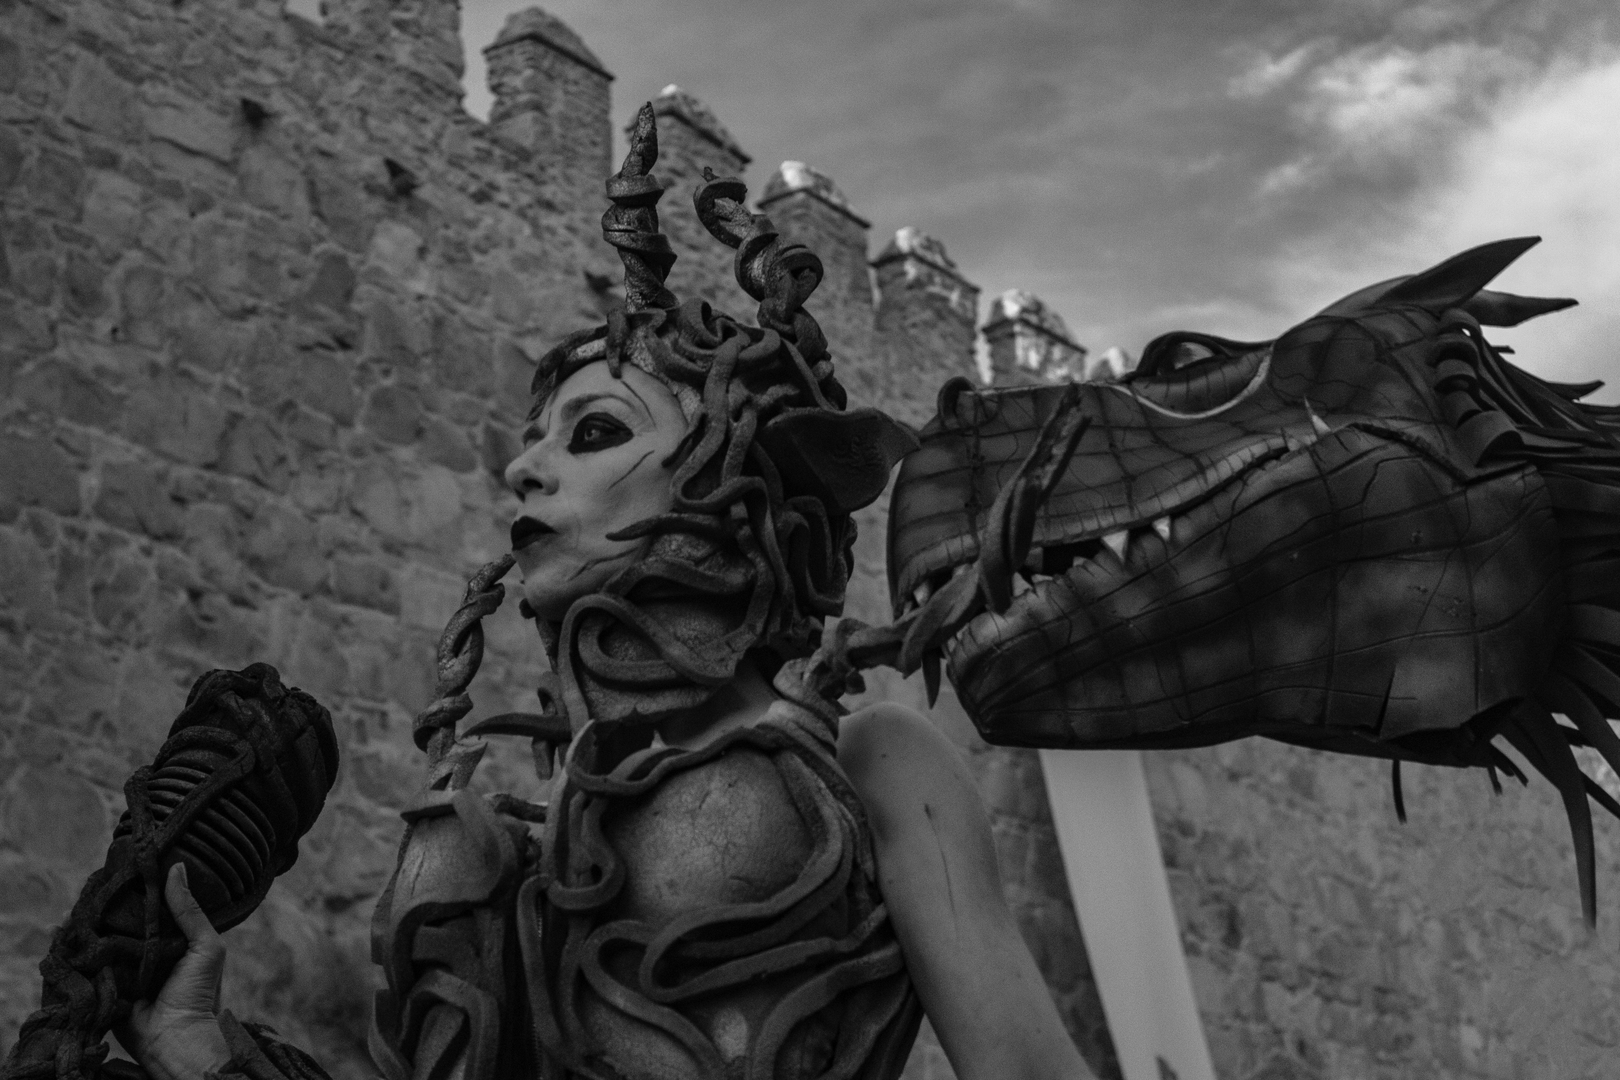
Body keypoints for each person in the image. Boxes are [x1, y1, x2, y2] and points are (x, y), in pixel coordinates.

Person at [117, 106, 1095, 1080]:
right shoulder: (517, 851)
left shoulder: (868, 759)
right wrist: (209, 1054)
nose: (524, 471)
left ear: (732, 481)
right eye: (536, 439)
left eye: (593, 434)